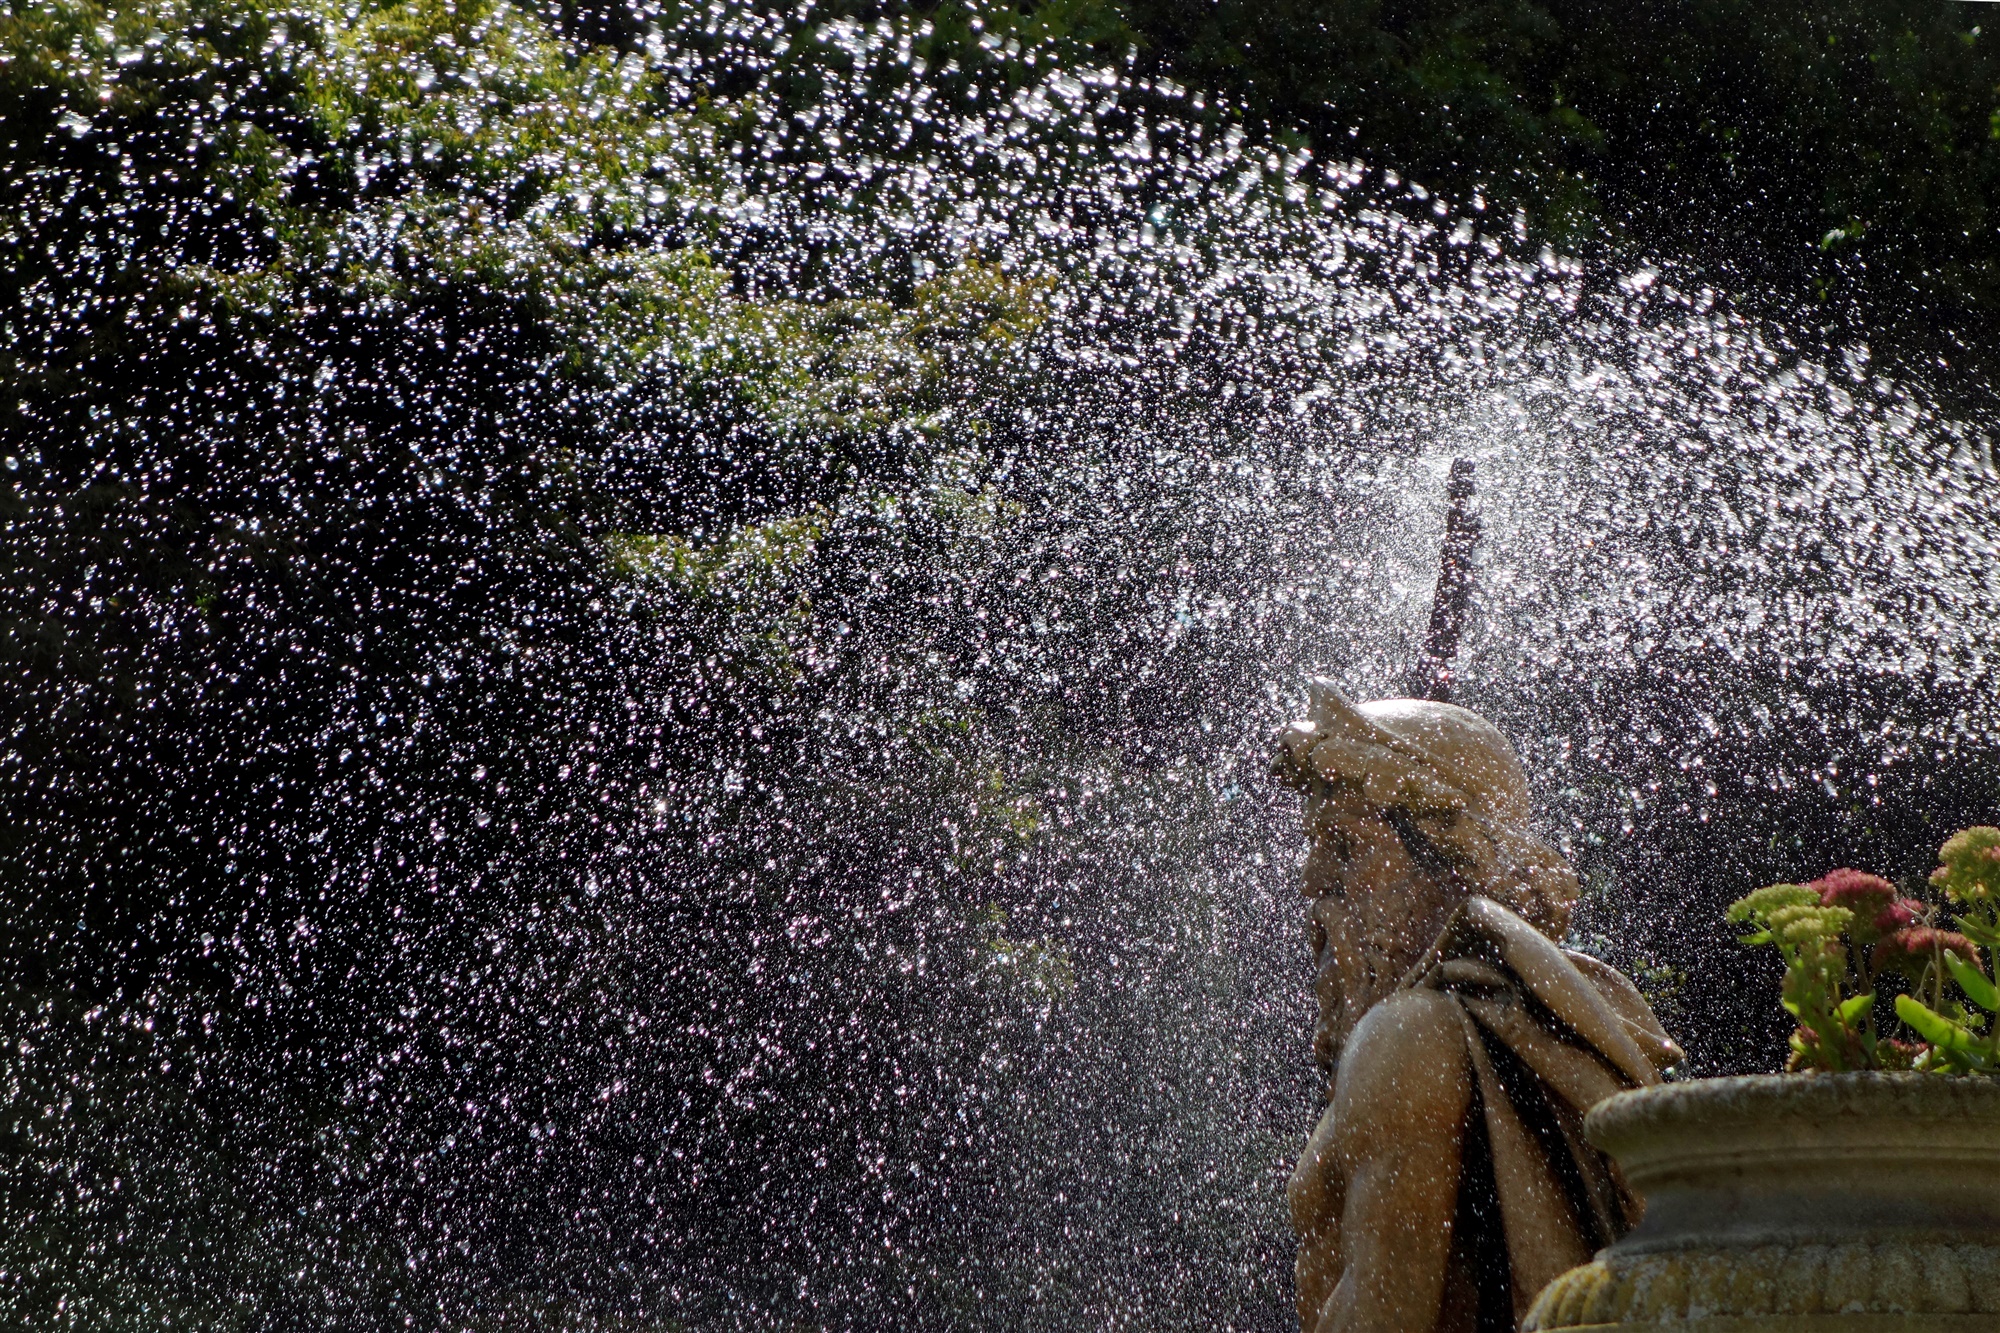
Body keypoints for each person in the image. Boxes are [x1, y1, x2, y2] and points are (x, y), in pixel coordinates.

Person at [1273, 682, 1682, 1333]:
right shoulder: (1494, 1023)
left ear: (1452, 861)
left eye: (1346, 845)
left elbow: (1387, 1314)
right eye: (1313, 843)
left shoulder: (1409, 1037)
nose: (1312, 878)